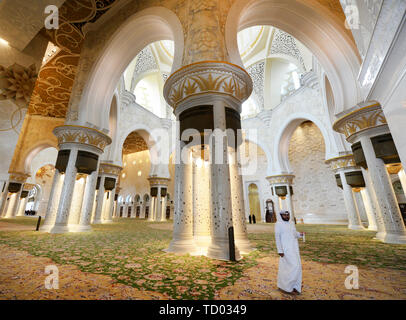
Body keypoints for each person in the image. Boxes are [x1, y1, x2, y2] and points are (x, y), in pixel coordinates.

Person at [275, 210, 304, 294]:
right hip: (285, 250)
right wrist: (280, 250)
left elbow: (294, 233)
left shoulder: (291, 223)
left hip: (294, 248)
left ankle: (294, 286)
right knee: (295, 266)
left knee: (294, 267)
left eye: (288, 215)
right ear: (281, 216)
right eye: (285, 215)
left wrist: (300, 234)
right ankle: (287, 287)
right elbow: (277, 238)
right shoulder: (278, 224)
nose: (287, 216)